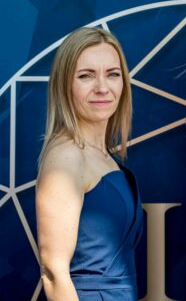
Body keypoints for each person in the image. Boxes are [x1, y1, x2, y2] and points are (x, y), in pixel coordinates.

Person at [36, 27, 143, 301]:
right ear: (65, 85)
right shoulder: (66, 156)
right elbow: (53, 272)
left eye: (113, 74)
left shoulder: (103, 155)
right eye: (86, 76)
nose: (102, 88)